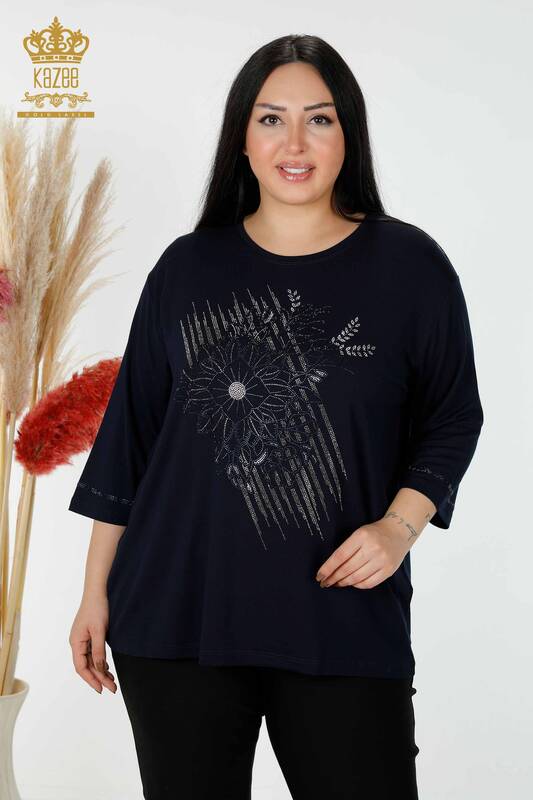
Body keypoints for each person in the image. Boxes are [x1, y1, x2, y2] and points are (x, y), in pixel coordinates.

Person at [68, 34, 484, 800]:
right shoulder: (186, 269)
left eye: (318, 119)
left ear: (347, 135)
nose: (294, 143)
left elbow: (453, 416)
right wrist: (94, 593)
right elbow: (131, 441)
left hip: (341, 618)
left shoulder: (408, 267)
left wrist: (398, 527)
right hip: (176, 616)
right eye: (270, 119)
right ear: (242, 139)